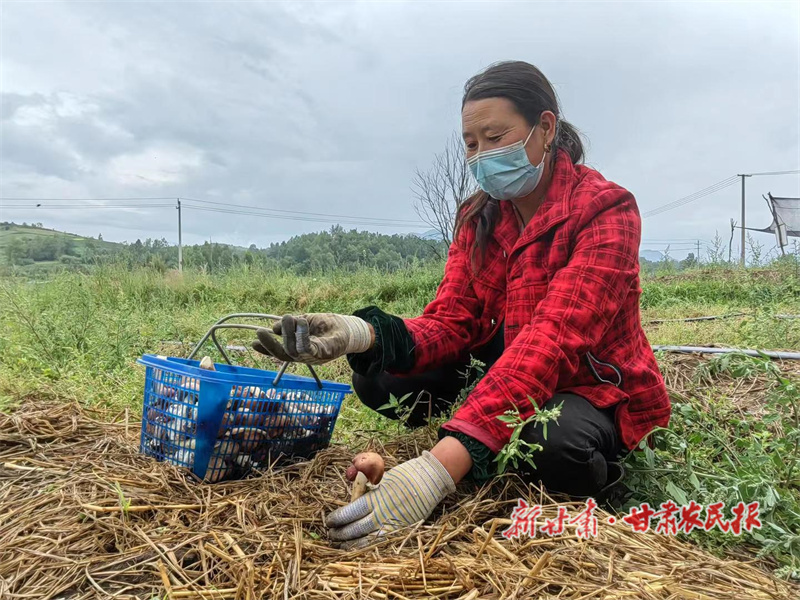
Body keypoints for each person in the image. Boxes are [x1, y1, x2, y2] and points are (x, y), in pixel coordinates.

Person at [252, 60, 671, 549]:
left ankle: (543, 451)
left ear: (545, 128)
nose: (482, 156)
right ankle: (478, 428)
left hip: (586, 381)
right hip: (507, 366)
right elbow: (453, 319)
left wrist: (437, 468)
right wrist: (363, 334)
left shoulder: (606, 209)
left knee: (553, 447)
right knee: (377, 377)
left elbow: (555, 338)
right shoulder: (480, 217)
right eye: (471, 144)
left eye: (496, 138)